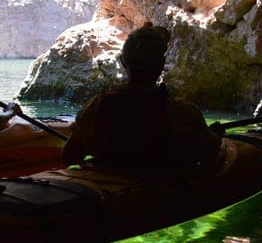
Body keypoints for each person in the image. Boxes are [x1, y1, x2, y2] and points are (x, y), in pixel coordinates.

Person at [62, 22, 222, 171]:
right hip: (156, 195)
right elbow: (208, 153)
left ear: (123, 63)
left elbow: (69, 156)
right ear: (161, 65)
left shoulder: (98, 106)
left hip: (107, 192)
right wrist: (212, 136)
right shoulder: (182, 113)